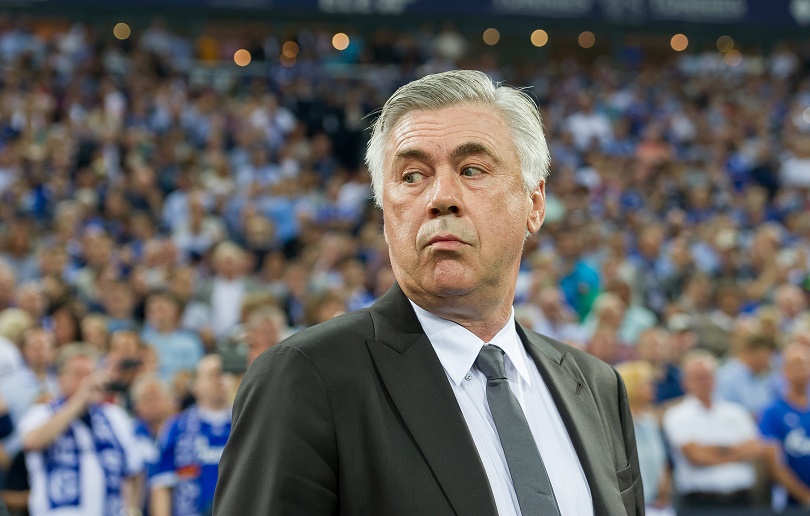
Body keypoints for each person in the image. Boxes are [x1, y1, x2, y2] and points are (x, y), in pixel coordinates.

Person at [215, 70, 643, 515]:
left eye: (472, 169)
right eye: (413, 175)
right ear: (385, 213)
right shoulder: (306, 377)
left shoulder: (598, 389)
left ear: (534, 205)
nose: (441, 197)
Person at [18, 344, 144, 516]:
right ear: (60, 378)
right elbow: (32, 442)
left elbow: (133, 469)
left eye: (90, 374)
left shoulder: (114, 416)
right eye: (77, 374)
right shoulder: (42, 413)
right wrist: (79, 401)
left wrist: (132, 509)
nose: (87, 381)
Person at [151, 355, 231, 516]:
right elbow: (161, 485)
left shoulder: (244, 423)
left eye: (223, 373)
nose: (219, 379)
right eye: (212, 374)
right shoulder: (178, 427)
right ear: (195, 385)